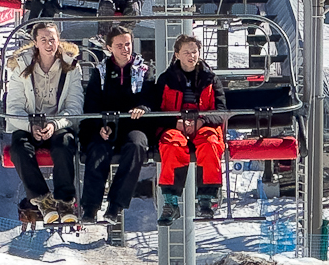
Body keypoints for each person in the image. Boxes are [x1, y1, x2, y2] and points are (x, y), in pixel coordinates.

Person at [2, 20, 84, 223]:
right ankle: (42, 199)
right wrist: (31, 126)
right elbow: (13, 109)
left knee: (64, 144)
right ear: (35, 43)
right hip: (29, 123)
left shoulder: (71, 68)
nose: (49, 44)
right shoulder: (21, 68)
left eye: (53, 39)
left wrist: (55, 124)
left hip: (58, 123)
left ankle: (65, 200)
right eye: (44, 40)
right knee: (20, 147)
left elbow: (74, 107)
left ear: (59, 41)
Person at [79, 25, 151, 224]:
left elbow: (149, 96)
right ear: (110, 47)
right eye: (119, 45)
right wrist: (99, 125)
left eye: (128, 44)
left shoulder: (143, 70)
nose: (125, 49)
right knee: (97, 150)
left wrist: (143, 107)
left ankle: (115, 205)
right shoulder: (101, 72)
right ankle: (90, 207)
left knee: (137, 147)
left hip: (133, 125)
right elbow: (92, 103)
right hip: (107, 124)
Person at [156, 34, 226, 221]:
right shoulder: (166, 80)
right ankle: (170, 201)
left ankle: (207, 198)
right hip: (175, 124)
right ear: (177, 54)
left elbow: (221, 111)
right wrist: (175, 123)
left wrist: (203, 121)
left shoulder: (209, 79)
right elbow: (157, 111)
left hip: (203, 123)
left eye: (194, 52)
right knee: (171, 145)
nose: (191, 56)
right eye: (186, 52)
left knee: (210, 143)